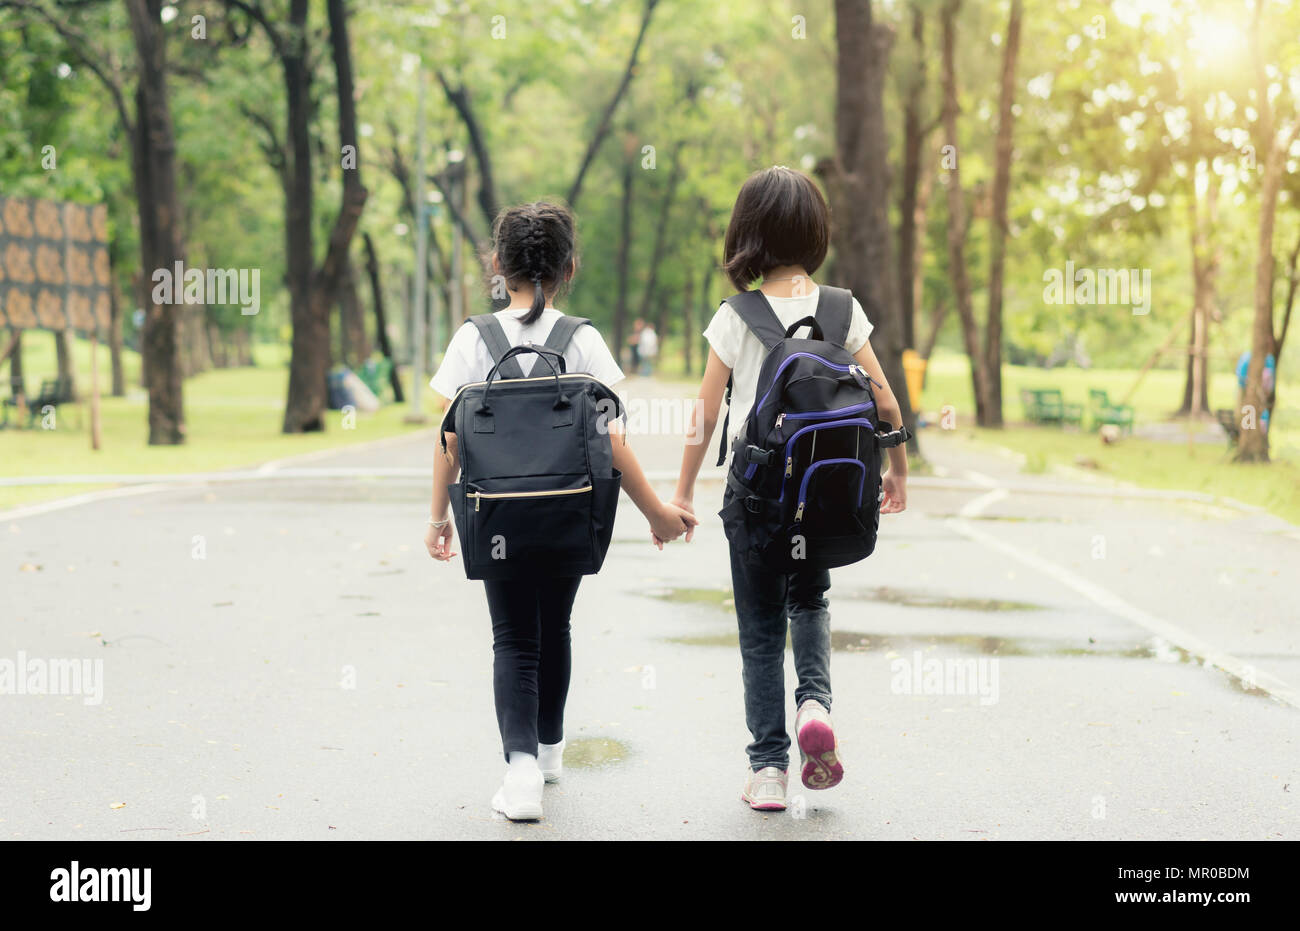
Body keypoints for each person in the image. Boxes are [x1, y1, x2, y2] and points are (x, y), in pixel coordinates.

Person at [424, 202, 697, 821]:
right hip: (570, 511)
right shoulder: (583, 341)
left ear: (497, 265)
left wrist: (438, 517)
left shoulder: (473, 339)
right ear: (569, 266)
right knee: (558, 625)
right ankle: (548, 754)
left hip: (495, 519)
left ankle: (520, 770)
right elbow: (611, 442)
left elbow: (448, 440)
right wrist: (656, 513)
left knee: (513, 636)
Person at [669, 167, 909, 812]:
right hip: (823, 497)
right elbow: (883, 399)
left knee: (758, 629)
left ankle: (769, 769)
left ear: (746, 235)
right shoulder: (841, 309)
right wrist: (899, 469)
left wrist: (683, 492)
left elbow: (705, 414)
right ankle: (814, 703)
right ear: (816, 232)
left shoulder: (735, 317)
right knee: (810, 601)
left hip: (755, 499)